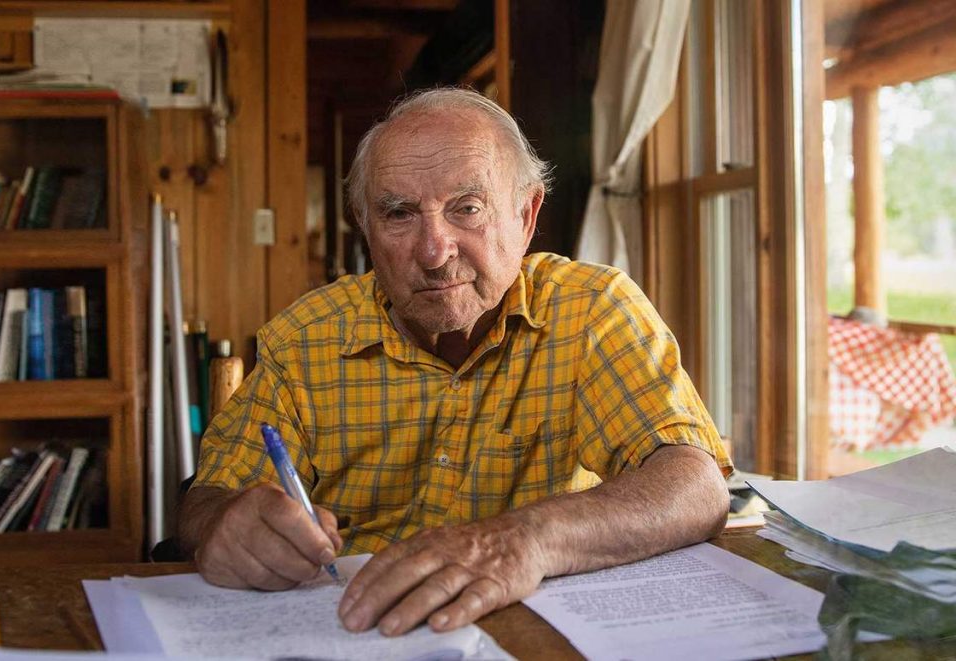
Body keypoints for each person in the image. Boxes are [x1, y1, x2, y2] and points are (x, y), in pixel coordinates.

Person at [178, 88, 732, 637]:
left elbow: (695, 487)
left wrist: (521, 541)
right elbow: (208, 500)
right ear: (366, 230)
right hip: (347, 632)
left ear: (526, 215)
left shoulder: (591, 312)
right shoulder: (305, 340)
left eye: (467, 209)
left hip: (531, 633)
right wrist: (223, 527)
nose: (435, 251)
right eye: (399, 214)